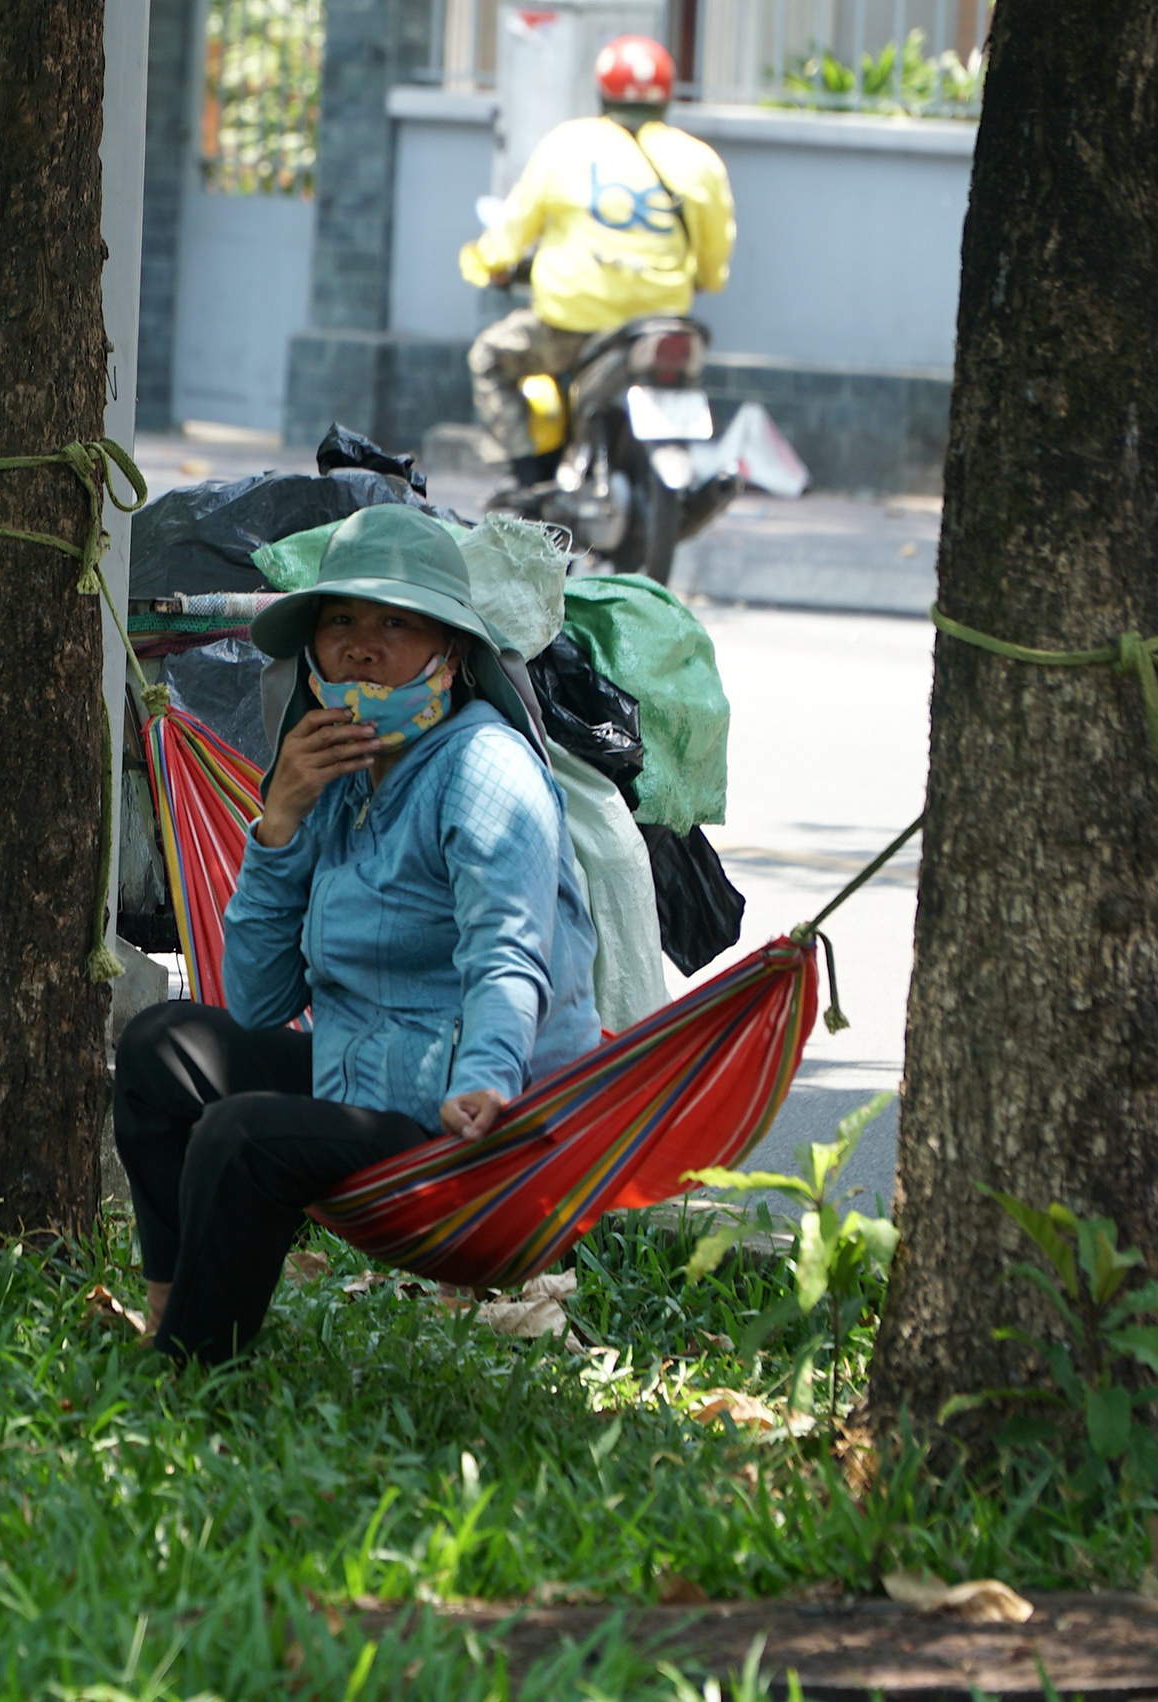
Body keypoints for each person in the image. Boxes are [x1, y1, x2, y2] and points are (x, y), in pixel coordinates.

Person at [112, 507, 602, 1365]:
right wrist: (279, 822)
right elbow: (260, 1002)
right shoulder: (334, 772)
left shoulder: (482, 764)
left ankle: (187, 1373)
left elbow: (509, 950)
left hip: (469, 1120)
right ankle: (167, 1308)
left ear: (450, 651)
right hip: (363, 1075)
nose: (361, 646)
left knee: (242, 1135)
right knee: (161, 1046)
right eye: (341, 620)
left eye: (395, 622)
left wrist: (486, 1078)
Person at [458, 35, 735, 483]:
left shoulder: (567, 145)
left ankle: (533, 475)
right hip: (659, 325)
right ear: (667, 96)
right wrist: (703, 277)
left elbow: (512, 230)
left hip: (572, 324)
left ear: (601, 92)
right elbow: (714, 258)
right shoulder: (699, 160)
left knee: (489, 357)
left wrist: (486, 262)